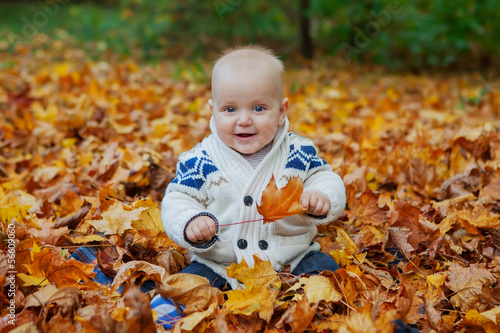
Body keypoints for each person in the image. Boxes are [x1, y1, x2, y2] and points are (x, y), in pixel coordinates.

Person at [151, 45, 346, 327]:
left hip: (291, 260)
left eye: (258, 108)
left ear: (281, 111)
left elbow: (326, 177)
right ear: (213, 111)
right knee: (188, 286)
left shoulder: (297, 152)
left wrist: (322, 196)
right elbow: (177, 198)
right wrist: (191, 222)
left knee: (325, 272)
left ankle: (308, 315)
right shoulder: (200, 160)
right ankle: (163, 320)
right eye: (230, 109)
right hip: (221, 264)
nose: (244, 120)